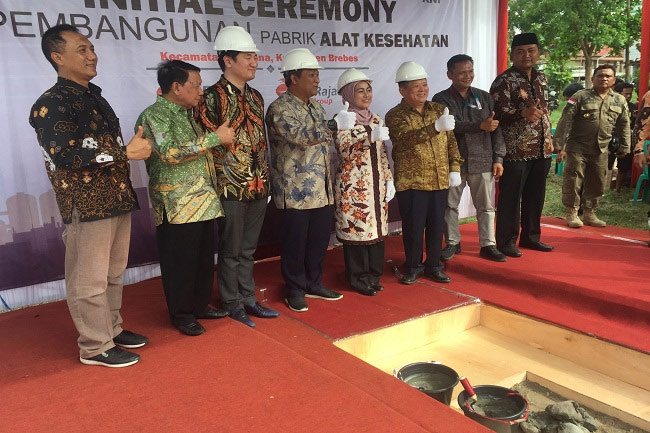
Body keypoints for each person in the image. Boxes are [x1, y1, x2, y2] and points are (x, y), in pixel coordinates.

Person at [29, 24, 152, 367]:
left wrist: (124, 153)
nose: (92, 55)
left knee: (112, 274)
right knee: (88, 279)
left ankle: (111, 330)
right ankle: (95, 347)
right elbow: (65, 156)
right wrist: (125, 152)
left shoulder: (94, 96)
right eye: (81, 49)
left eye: (91, 48)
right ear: (57, 57)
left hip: (116, 197)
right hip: (85, 204)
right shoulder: (50, 104)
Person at [135, 60, 234, 336]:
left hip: (204, 201)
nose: (200, 92)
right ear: (176, 87)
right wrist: (214, 138)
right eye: (196, 86)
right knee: (180, 264)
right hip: (177, 205)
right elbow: (169, 153)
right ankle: (182, 315)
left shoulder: (189, 114)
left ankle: (200, 306)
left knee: (202, 261)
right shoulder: (155, 115)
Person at [195, 26, 279, 328]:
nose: (254, 62)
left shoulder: (256, 96)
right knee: (231, 249)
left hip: (258, 183)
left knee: (248, 248)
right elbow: (205, 143)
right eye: (248, 57)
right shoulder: (211, 98)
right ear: (227, 60)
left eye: (255, 57)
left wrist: (266, 179)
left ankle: (248, 297)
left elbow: (261, 140)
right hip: (229, 185)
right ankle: (231, 302)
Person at [265, 48, 350, 312]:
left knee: (317, 242)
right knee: (295, 245)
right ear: (293, 78)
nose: (317, 80)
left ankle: (314, 284)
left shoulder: (316, 106)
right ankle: (294, 289)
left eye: (317, 75)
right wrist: (333, 125)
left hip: (321, 190)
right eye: (311, 75)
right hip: (295, 192)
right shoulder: (279, 108)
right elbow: (300, 136)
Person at [385, 61, 463, 285]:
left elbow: (451, 142)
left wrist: (455, 168)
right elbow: (405, 140)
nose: (422, 90)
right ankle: (412, 266)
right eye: (416, 86)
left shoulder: (438, 109)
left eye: (424, 84)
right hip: (412, 182)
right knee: (414, 227)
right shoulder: (395, 115)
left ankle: (434, 265)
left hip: (439, 179)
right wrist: (435, 127)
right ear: (402, 90)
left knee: (436, 226)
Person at [432, 54, 507, 263]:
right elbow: (450, 125)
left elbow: (495, 128)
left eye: (470, 71)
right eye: (461, 73)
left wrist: (498, 158)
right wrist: (479, 125)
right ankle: (452, 242)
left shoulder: (484, 97)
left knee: (486, 206)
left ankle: (488, 244)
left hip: (483, 159)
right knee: (449, 205)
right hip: (453, 162)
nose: (467, 76)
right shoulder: (441, 99)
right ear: (450, 75)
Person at [490, 32, 554, 257]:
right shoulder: (503, 81)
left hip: (542, 148)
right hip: (515, 150)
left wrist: (550, 139)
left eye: (531, 51)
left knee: (535, 196)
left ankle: (531, 237)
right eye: (520, 51)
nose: (526, 55)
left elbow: (546, 109)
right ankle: (506, 241)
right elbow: (496, 114)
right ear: (512, 55)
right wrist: (521, 113)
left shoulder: (542, 77)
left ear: (538, 53)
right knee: (510, 198)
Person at [333, 68, 395, 296]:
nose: (366, 95)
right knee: (357, 231)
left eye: (368, 90)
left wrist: (389, 180)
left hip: (377, 185)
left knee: (376, 231)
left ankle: (373, 275)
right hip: (354, 188)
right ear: (348, 94)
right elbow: (344, 151)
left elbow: (383, 154)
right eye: (360, 91)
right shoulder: (342, 120)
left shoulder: (376, 118)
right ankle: (358, 278)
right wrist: (368, 137)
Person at [555, 64, 630, 228]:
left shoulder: (619, 100)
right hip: (578, 147)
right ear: (592, 78)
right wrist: (559, 143)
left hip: (601, 148)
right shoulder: (580, 96)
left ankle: (590, 213)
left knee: (597, 180)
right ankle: (572, 212)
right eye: (600, 75)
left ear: (614, 80)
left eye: (608, 76)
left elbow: (624, 124)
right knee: (573, 179)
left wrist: (625, 146)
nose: (604, 79)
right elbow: (565, 119)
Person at [611, 81, 636, 194]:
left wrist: (636, 117)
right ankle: (605, 186)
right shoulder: (612, 105)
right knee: (607, 164)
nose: (628, 96)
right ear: (619, 93)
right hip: (611, 138)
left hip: (626, 139)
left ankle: (617, 190)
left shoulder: (634, 107)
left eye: (630, 93)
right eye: (626, 94)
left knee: (623, 166)